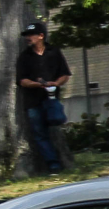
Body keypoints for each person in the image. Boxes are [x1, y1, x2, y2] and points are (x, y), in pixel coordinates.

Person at [16, 22, 72, 174]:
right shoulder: (25, 57)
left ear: (41, 36)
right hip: (33, 102)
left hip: (52, 99)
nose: (28, 38)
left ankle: (63, 157)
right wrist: (36, 84)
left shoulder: (54, 52)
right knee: (39, 133)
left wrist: (55, 83)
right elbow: (22, 80)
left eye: (31, 35)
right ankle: (53, 164)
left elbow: (65, 74)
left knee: (55, 126)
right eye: (26, 35)